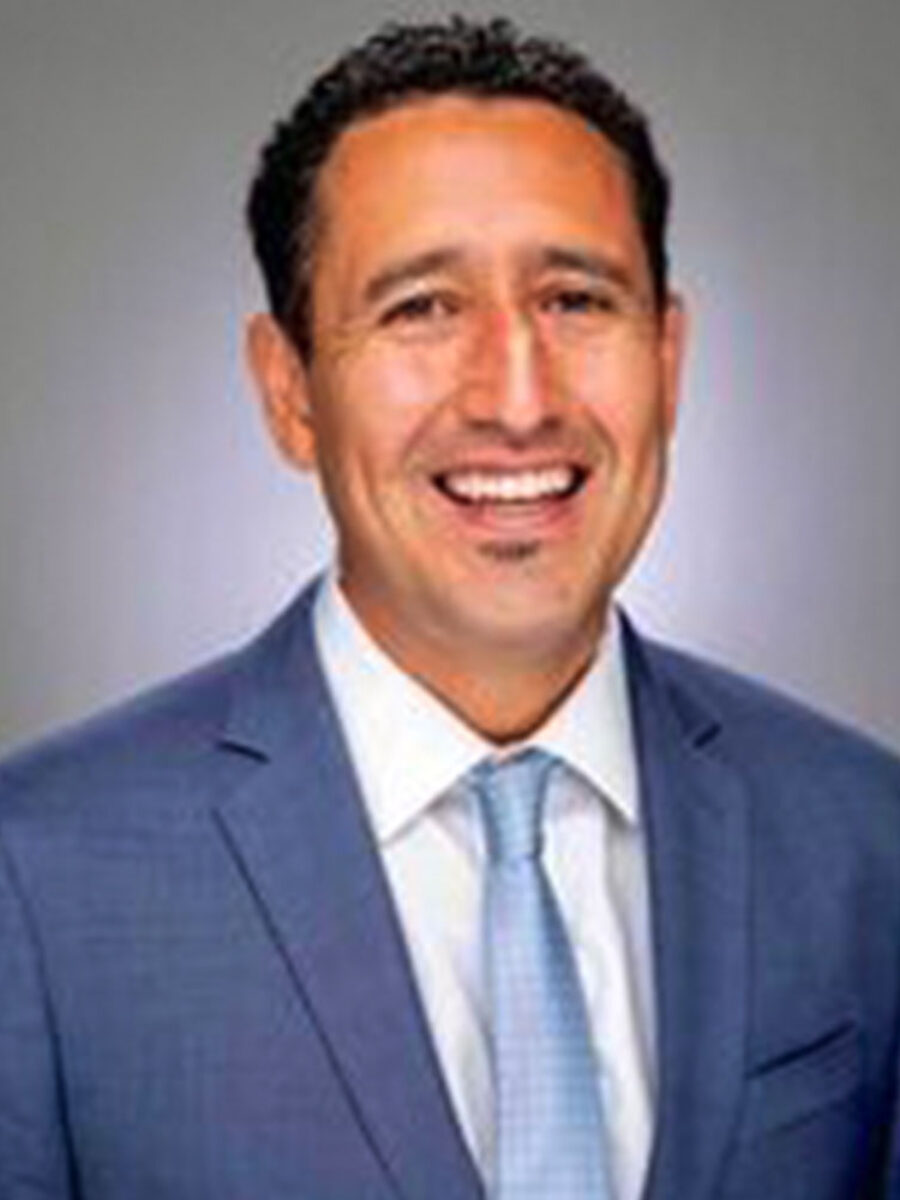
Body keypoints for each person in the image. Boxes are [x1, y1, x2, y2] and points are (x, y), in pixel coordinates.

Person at [1, 15, 899, 1199]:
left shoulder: (866, 837)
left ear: (669, 361)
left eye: (577, 300)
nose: (518, 401)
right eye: (422, 307)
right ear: (289, 392)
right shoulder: (34, 877)